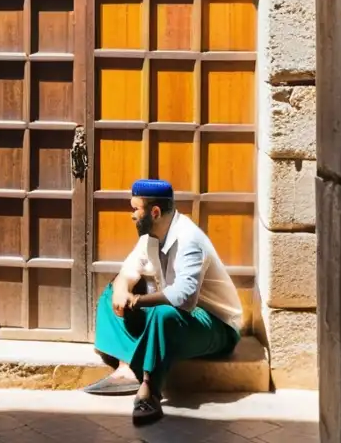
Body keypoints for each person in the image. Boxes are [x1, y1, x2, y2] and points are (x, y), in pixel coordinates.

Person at [82, 178, 243, 425]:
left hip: (214, 325)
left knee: (162, 314)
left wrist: (137, 300)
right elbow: (126, 272)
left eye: (135, 208)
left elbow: (184, 298)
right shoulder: (150, 237)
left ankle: (149, 390)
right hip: (177, 317)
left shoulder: (189, 239)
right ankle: (133, 365)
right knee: (108, 297)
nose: (132, 215)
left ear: (154, 212)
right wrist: (122, 292)